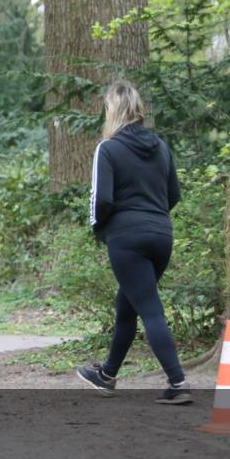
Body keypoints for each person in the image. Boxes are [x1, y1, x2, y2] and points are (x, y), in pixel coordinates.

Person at [77, 80, 190, 404]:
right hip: (161, 235)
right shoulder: (161, 147)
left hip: (127, 239)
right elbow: (173, 195)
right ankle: (107, 375)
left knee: (150, 309)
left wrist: (102, 230)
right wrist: (152, 220)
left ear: (112, 110)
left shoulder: (108, 148)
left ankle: (178, 383)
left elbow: (102, 200)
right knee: (127, 306)